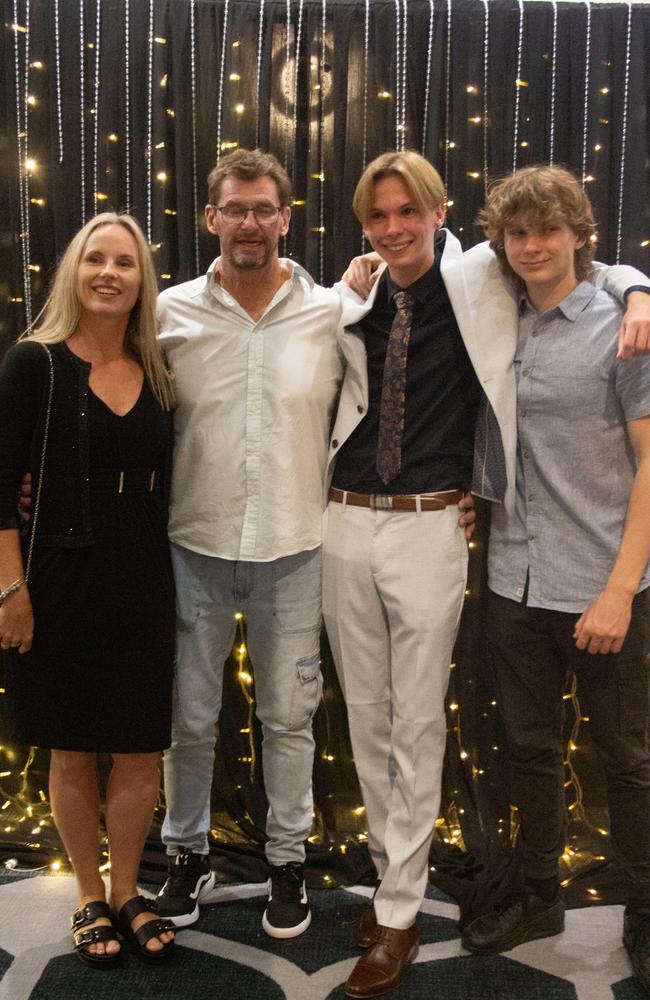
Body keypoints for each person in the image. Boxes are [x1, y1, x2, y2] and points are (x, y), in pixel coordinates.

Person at [323, 150, 650, 999]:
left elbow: (596, 264)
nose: (394, 229)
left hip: (509, 551)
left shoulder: (520, 289)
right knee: (444, 734)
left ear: (441, 214)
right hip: (423, 543)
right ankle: (462, 881)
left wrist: (639, 285)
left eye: (410, 212)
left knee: (607, 754)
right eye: (378, 216)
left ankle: (635, 912)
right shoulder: (375, 293)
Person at [458, 165, 650, 994]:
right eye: (517, 233)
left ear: (580, 234)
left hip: (604, 584)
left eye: (548, 231)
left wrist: (618, 589)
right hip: (513, 580)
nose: (533, 247)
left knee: (628, 760)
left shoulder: (622, 323)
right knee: (528, 751)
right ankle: (540, 896)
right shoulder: (497, 316)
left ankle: (645, 911)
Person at [154, 149, 346, 939]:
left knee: (289, 719)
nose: (250, 223)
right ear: (211, 218)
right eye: (235, 208)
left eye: (265, 209)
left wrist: (630, 283)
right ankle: (186, 852)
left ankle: (287, 862)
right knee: (187, 719)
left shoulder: (334, 309)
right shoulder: (166, 311)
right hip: (191, 544)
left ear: (286, 217)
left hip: (296, 547)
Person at [0, 213, 177, 967]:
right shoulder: (32, 363)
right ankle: (87, 895)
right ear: (74, 271)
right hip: (59, 579)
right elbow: (0, 490)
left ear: (143, 281)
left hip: (143, 576)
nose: (110, 273)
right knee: (72, 749)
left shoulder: (161, 368)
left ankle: (130, 890)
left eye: (125, 263)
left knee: (140, 750)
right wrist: (10, 590)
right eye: (96, 260)